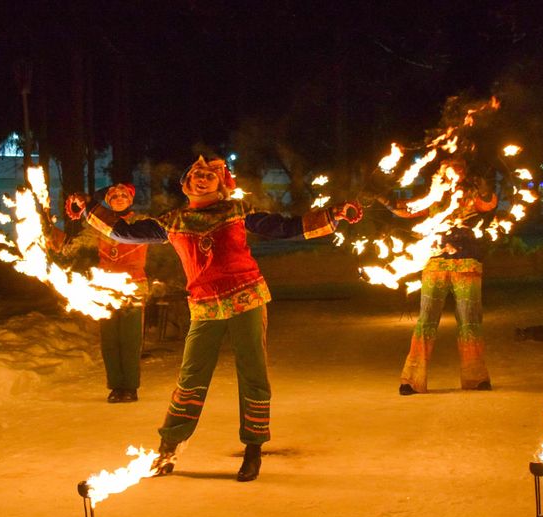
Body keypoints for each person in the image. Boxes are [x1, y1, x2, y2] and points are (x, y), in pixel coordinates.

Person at [67, 155, 362, 481]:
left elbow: (285, 227)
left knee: (253, 375)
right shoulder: (173, 220)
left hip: (246, 297)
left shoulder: (238, 211)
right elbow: (124, 231)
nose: (201, 176)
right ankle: (168, 448)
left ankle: (253, 450)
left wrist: (333, 215)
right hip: (205, 305)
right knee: (191, 377)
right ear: (185, 184)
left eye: (208, 173)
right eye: (195, 172)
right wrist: (89, 207)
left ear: (220, 184)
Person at [379, 160, 497, 396]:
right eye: (448, 168)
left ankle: (476, 377)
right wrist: (384, 198)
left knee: (470, 322)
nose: (454, 171)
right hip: (434, 264)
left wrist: (485, 190)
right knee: (426, 322)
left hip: (467, 265)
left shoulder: (470, 195)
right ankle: (411, 380)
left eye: (459, 167)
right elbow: (406, 209)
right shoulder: (432, 197)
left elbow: (488, 204)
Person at [50, 184, 149, 403]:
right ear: (108, 200)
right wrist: (51, 236)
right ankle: (115, 387)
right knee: (110, 340)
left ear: (131, 200)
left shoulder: (141, 221)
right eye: (114, 196)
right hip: (106, 290)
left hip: (134, 288)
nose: (120, 198)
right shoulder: (97, 225)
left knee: (130, 340)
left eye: (124, 195)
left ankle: (130, 387)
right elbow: (73, 247)